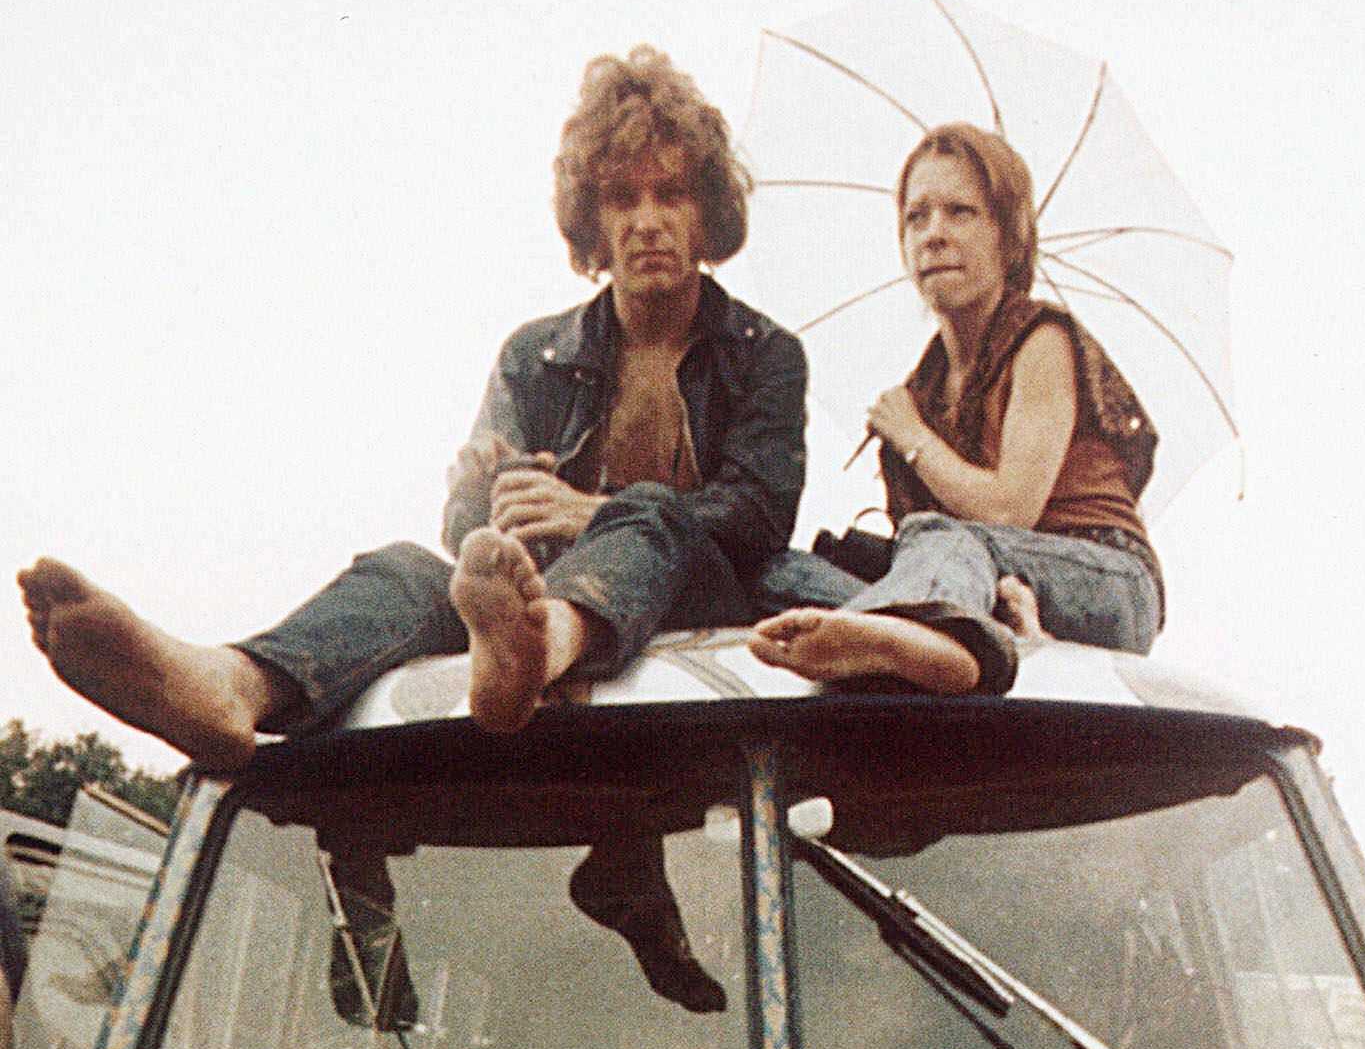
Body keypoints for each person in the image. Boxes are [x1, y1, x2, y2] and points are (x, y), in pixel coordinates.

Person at [19, 47, 806, 770]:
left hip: (698, 602)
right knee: (403, 569)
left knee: (648, 516)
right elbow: (472, 549)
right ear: (591, 222)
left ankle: (543, 648)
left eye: (670, 193)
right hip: (526, 608)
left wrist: (587, 513)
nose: (646, 220)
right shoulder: (538, 354)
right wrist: (482, 501)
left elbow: (760, 516)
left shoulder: (763, 352)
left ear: (707, 212)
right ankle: (232, 683)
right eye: (621, 198)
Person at [750, 123, 1163, 697]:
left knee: (943, 537)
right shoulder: (926, 383)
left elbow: (1009, 510)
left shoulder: (1043, 340)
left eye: (960, 213)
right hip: (981, 570)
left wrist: (914, 438)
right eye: (917, 217)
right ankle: (977, 630)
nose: (934, 235)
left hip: (1102, 574)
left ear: (1008, 238)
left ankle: (936, 636)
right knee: (779, 573)